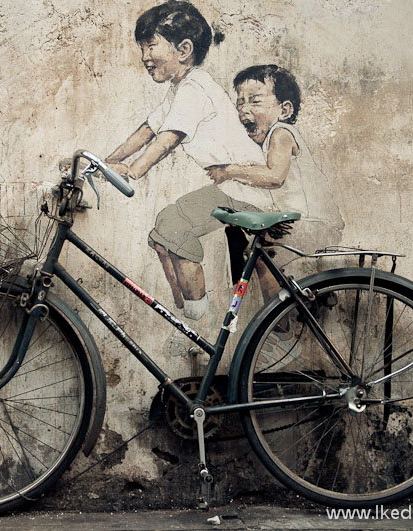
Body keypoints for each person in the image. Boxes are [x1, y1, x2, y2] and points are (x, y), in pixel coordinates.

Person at [106, 1, 266, 320]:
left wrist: (133, 171)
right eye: (141, 48)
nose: (144, 56)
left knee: (174, 226)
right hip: (232, 188)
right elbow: (147, 131)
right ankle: (187, 315)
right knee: (164, 231)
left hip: (247, 189)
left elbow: (168, 138)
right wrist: (104, 161)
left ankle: (196, 322)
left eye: (151, 45)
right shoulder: (180, 89)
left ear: (184, 49)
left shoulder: (196, 88)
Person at [209, 64, 344, 304]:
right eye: (240, 102)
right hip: (300, 221)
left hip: (314, 223)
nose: (244, 110)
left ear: (284, 109)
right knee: (249, 242)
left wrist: (228, 171)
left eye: (255, 101)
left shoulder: (281, 133)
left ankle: (280, 332)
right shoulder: (268, 139)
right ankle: (308, 295)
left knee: (260, 256)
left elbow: (274, 177)